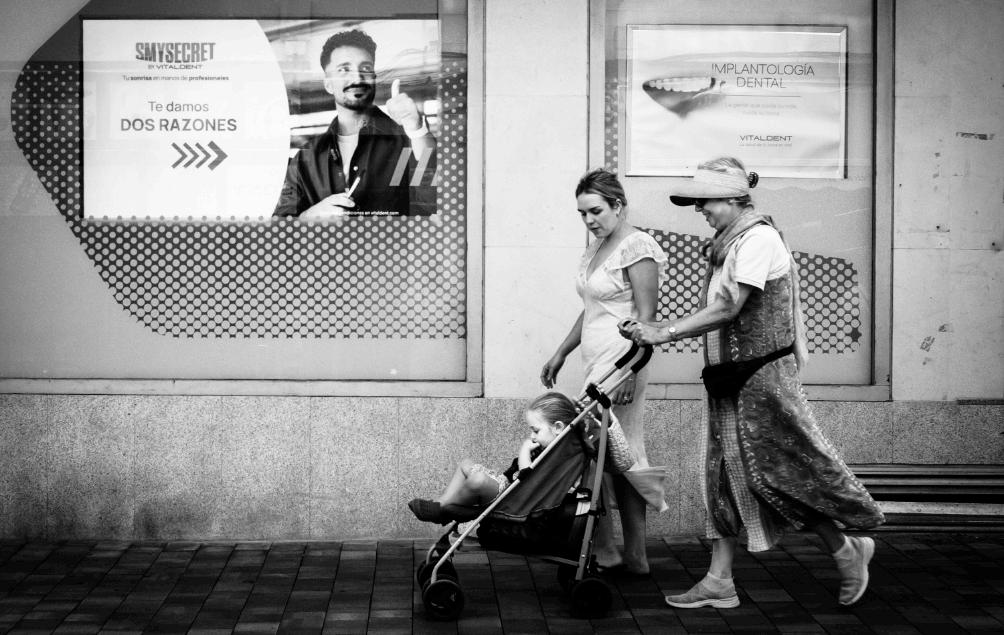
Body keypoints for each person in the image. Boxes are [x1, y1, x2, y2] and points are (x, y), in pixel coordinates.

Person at [619, 157, 885, 608]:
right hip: (731, 382)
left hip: (762, 384)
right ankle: (719, 580)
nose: (700, 210)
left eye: (704, 202)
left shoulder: (758, 239)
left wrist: (664, 332)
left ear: (731, 198)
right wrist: (660, 331)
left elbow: (730, 308)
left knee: (781, 474)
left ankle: (846, 549)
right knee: (721, 476)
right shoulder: (730, 242)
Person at [541, 168, 669, 575]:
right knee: (608, 456)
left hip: (623, 361)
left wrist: (631, 369)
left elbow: (646, 317)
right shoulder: (597, 247)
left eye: (596, 211)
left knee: (616, 453)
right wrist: (561, 352)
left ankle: (623, 551)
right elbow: (593, 309)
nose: (589, 220)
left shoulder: (637, 245)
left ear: (618, 205)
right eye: (582, 213)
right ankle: (621, 552)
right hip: (596, 360)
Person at [272, 29, 436, 220]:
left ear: (374, 78)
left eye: (365, 68)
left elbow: (434, 201)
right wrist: (308, 217)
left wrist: (416, 129)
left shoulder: (406, 141)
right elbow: (279, 225)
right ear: (328, 84)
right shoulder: (305, 158)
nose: (357, 79)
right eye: (344, 69)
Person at [408, 391, 636, 524]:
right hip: (510, 488)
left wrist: (525, 450)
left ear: (558, 427)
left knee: (477, 480)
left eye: (535, 430)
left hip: (515, 499)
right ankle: (442, 506)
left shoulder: (564, 450)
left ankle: (445, 510)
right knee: (465, 464)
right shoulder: (559, 446)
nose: (532, 436)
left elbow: (527, 477)